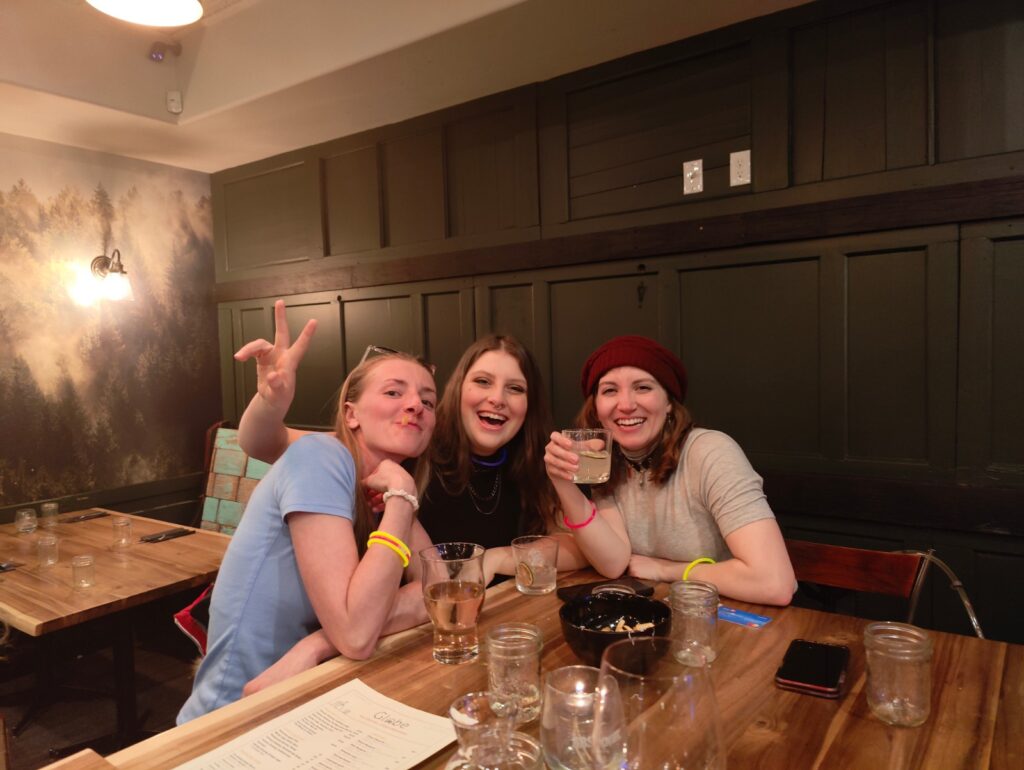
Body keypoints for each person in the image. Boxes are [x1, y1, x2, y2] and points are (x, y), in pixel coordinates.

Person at [177, 349, 437, 723]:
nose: (416, 405)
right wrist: (402, 496)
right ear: (351, 414)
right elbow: (356, 634)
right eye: (394, 393)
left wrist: (316, 645)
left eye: (427, 400)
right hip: (235, 720)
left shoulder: (378, 486)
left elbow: (442, 588)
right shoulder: (322, 457)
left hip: (308, 704)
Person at [233, 301, 585, 577]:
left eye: (515, 389)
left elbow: (578, 546)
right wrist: (270, 402)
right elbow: (264, 443)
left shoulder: (531, 463)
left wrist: (495, 559)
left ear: (529, 405)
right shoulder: (413, 443)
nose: (497, 398)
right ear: (457, 391)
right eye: (482, 382)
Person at [544, 335, 795, 605]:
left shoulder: (710, 452)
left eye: (642, 387)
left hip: (727, 621)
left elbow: (775, 583)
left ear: (669, 403)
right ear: (596, 408)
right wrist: (563, 483)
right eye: (609, 390)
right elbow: (613, 563)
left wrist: (666, 570)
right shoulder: (608, 459)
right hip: (659, 619)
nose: (626, 404)